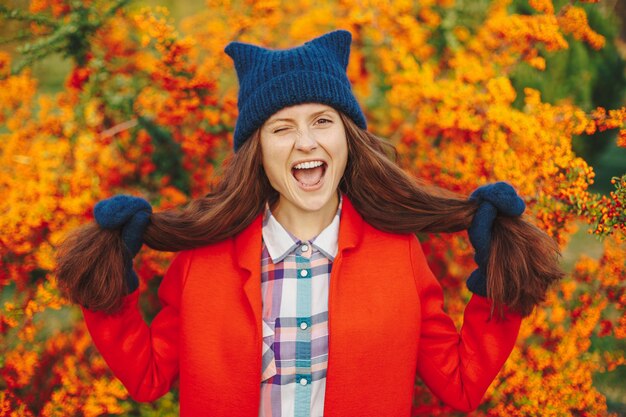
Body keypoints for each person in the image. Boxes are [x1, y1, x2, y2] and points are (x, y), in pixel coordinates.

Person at [56, 30, 563, 417]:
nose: (306, 142)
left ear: (347, 139)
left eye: (322, 121)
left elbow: (461, 383)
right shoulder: (202, 262)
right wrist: (109, 285)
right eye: (282, 128)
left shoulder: (397, 253)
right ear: (257, 151)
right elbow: (147, 378)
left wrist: (503, 277)